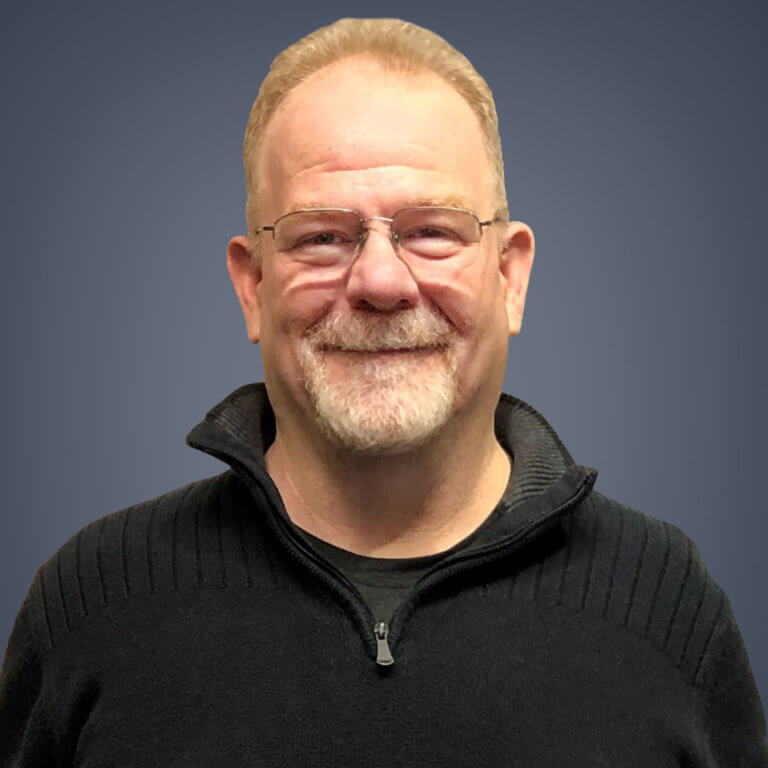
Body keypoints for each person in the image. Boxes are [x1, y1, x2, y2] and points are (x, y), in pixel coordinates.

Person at [1, 17, 766, 766]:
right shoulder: (93, 603)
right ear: (252, 284)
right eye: (321, 236)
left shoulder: (664, 605)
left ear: (510, 276)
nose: (379, 281)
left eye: (432, 230)